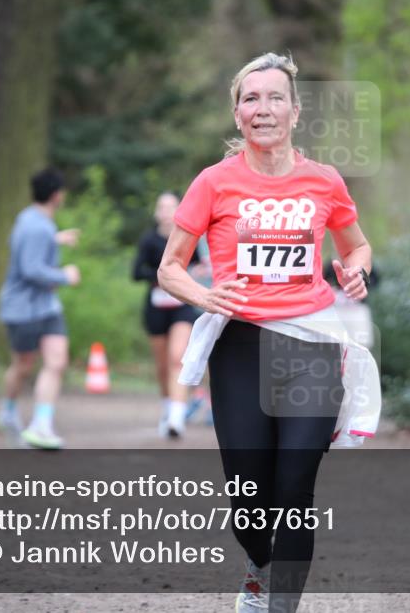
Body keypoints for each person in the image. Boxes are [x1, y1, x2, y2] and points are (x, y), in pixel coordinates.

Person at [158, 52, 378, 613]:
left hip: (311, 344)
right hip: (241, 346)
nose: (263, 108)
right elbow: (169, 268)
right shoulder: (214, 183)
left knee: (296, 488)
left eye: (275, 97)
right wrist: (204, 296)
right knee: (249, 498)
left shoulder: (323, 181)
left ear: (295, 111)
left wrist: (355, 271)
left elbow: (356, 245)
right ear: (237, 114)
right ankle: (258, 566)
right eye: (251, 99)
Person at [0, 168, 80, 450]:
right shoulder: (38, 227)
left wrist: (56, 239)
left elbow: (28, 247)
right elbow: (30, 269)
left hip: (46, 308)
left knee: (56, 361)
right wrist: (64, 275)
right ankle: (8, 411)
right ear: (56, 195)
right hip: (23, 309)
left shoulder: (31, 219)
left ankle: (41, 426)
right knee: (23, 365)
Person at [133, 192, 204, 438]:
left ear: (179, 210)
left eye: (170, 206)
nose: (166, 211)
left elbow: (197, 263)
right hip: (155, 308)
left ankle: (176, 418)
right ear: (156, 212)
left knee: (177, 358)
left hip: (181, 306)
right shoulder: (149, 240)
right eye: (161, 207)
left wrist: (194, 271)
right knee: (163, 366)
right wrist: (163, 276)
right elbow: (136, 272)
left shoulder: (187, 237)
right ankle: (168, 407)